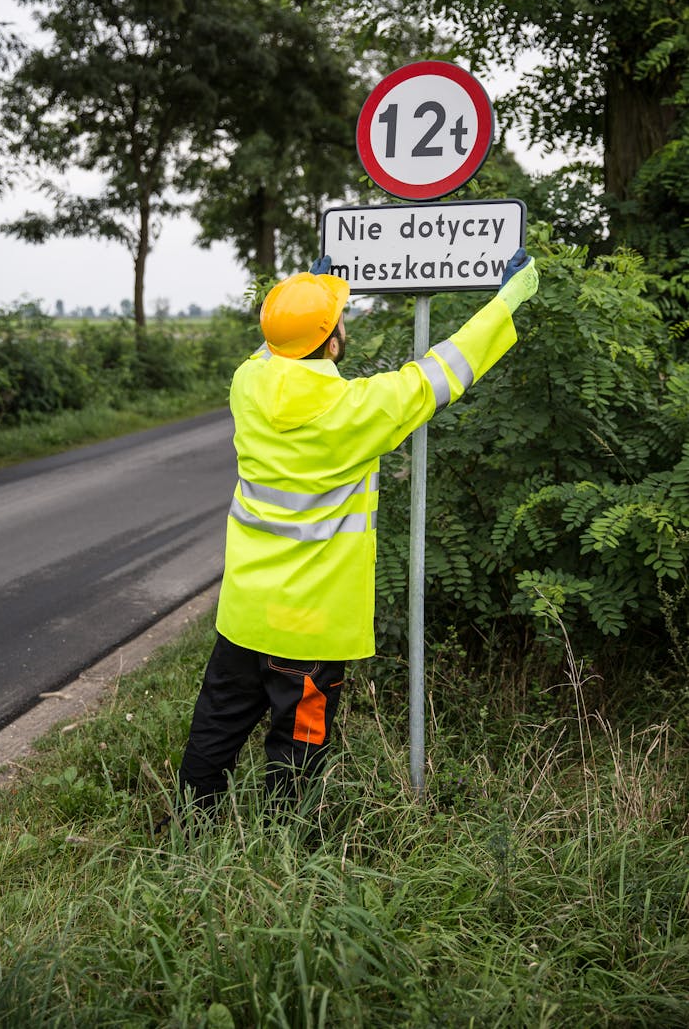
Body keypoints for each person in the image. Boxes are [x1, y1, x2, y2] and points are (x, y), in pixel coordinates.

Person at [167, 248, 539, 825]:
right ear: (334, 342)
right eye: (338, 320)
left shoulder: (247, 384)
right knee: (299, 750)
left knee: (214, 728)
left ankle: (185, 831)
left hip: (244, 614)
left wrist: (311, 293)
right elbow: (442, 372)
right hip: (311, 629)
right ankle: (282, 854)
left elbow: (277, 348)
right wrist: (506, 301)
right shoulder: (357, 410)